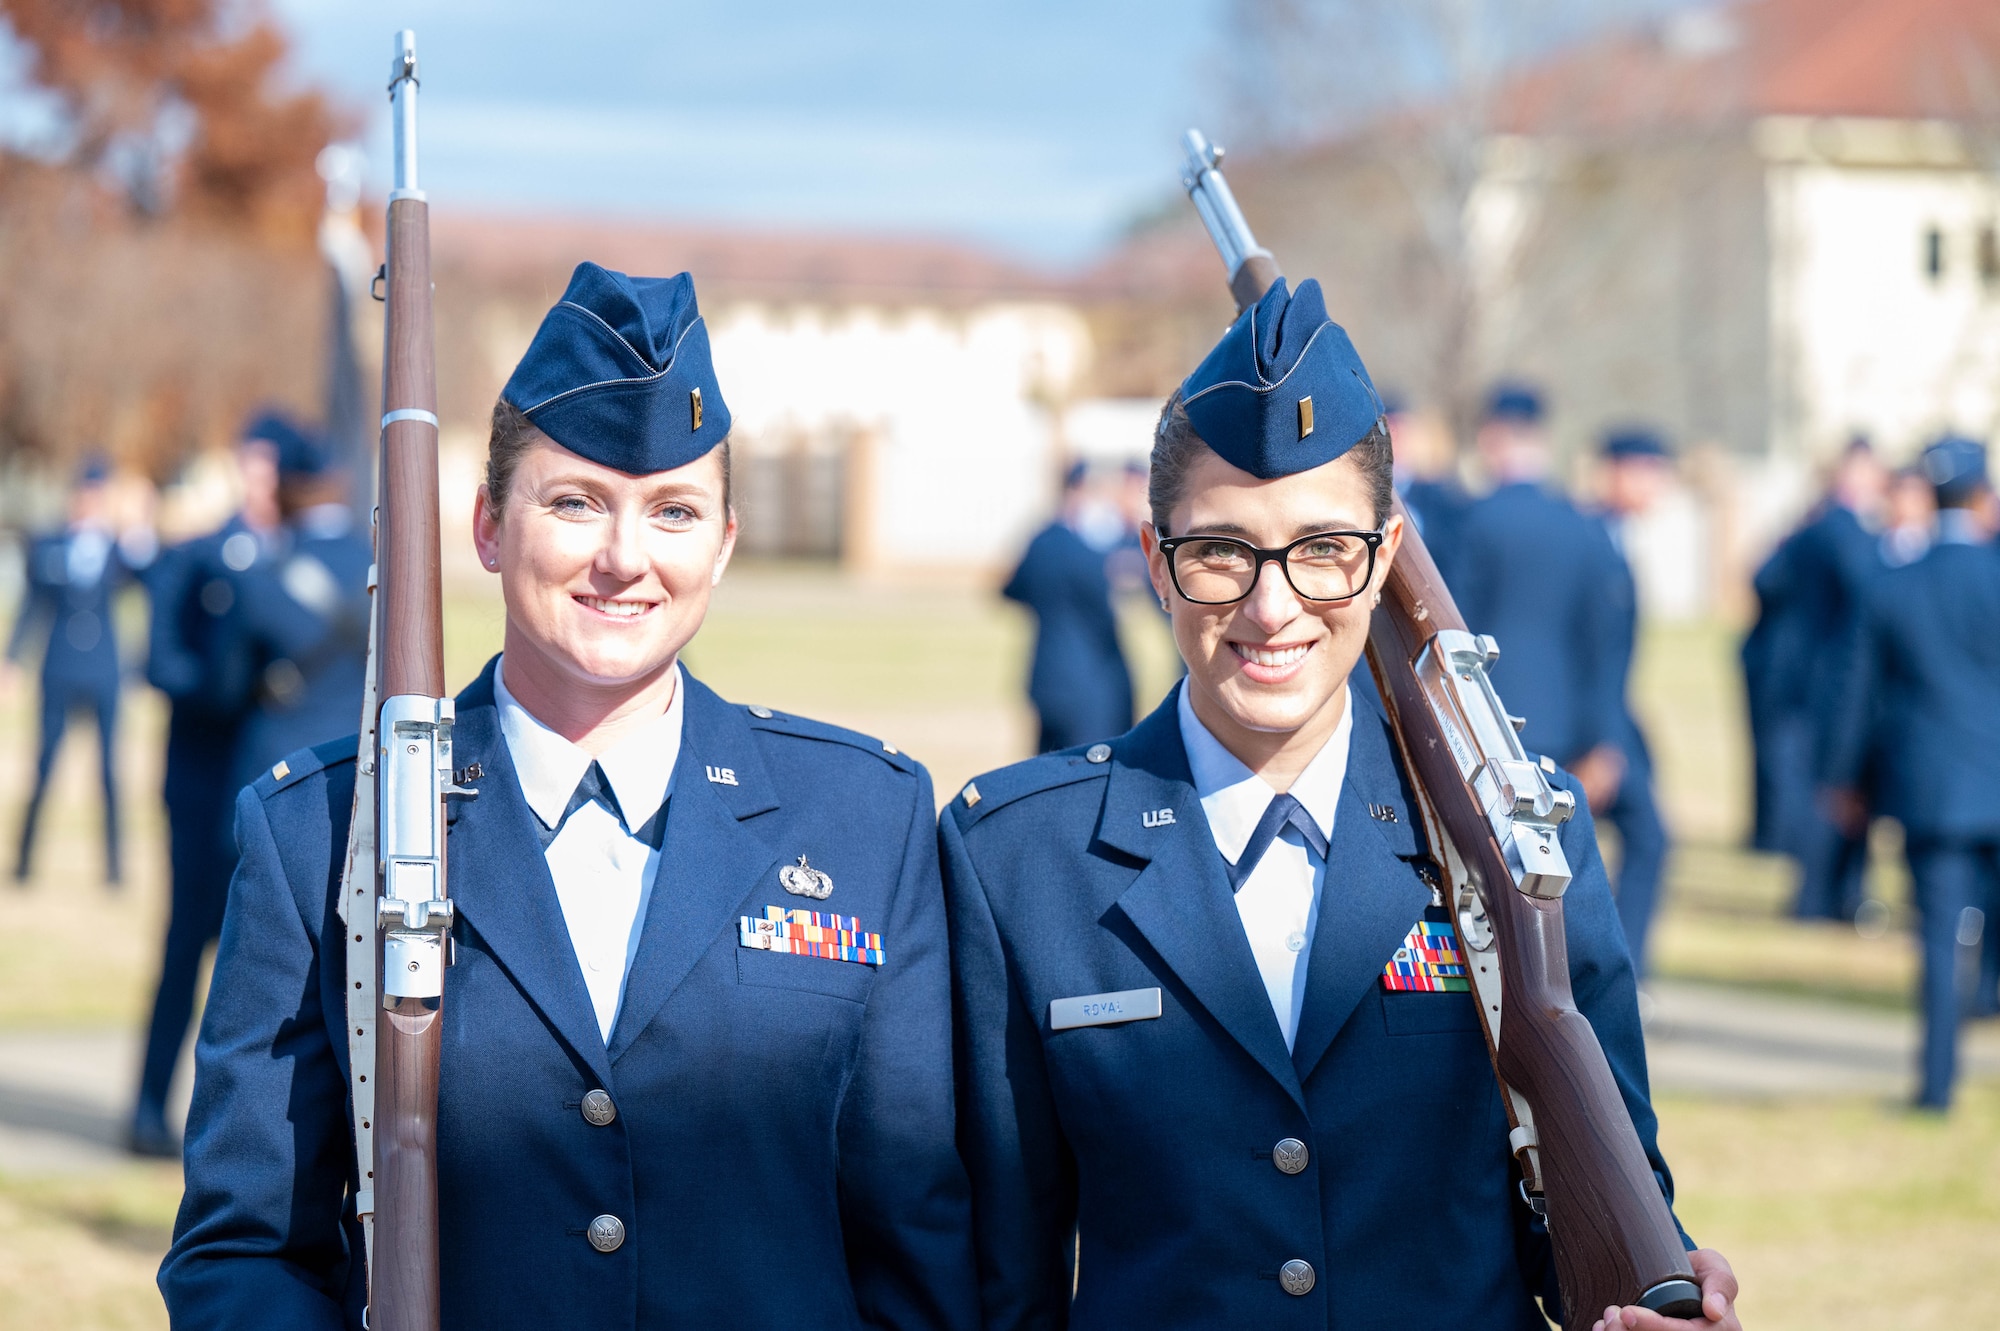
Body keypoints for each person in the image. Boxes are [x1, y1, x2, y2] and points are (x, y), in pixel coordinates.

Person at [161, 264, 975, 1328]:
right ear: (489, 526)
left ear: (723, 543)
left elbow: (918, 1244)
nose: (623, 558)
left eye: (674, 511)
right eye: (576, 501)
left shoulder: (863, 819)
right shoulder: (324, 828)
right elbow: (245, 1251)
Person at [942, 278, 1739, 1330]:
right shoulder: (1022, 858)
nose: (1272, 608)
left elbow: (1600, 1196)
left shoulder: (1510, 833)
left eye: (1322, 548)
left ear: (1384, 562)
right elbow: (1003, 1276)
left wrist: (1656, 1292)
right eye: (1220, 550)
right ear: (1153, 564)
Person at [1824, 435, 2000, 1110]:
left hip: (1933, 789)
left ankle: (1936, 1085)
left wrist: (1844, 779)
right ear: (1982, 496)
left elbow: (1856, 693)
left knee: (1937, 937)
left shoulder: (1895, 584)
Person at [127, 417, 286, 1157]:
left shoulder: (311, 559)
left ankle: (232, 1132)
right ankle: (148, 1107)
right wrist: (232, 685)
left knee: (266, 969)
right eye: (253, 469)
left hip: (276, 791)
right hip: (200, 786)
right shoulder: (195, 557)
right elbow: (160, 662)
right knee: (184, 946)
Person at [1452, 384, 1627, 820]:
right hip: (1565, 725)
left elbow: (1452, 625)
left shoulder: (1471, 521)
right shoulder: (1585, 526)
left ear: (1491, 438)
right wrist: (1605, 737)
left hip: (1487, 718)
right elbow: (1606, 643)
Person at [1756, 439, 1888, 921]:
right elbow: (1869, 594)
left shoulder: (1809, 527)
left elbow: (1766, 580)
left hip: (1799, 673)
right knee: (1830, 788)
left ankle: (1829, 896)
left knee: (1824, 787)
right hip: (1830, 678)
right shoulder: (1846, 530)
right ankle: (1820, 901)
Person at [7, 457, 147, 886]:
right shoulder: (49, 545)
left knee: (109, 771)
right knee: (45, 763)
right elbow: (33, 607)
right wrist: (12, 659)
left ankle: (115, 870)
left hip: (104, 670)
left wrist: (137, 524)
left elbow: (150, 583)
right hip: (59, 667)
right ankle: (24, 862)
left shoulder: (119, 550)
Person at [218, 419, 373, 797]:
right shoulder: (381, 567)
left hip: (279, 775)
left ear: (285, 490)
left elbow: (226, 685)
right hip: (363, 766)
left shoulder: (263, 575)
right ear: (340, 483)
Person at [1589, 428, 1675, 975]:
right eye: (1647, 472)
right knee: (1648, 837)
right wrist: (1600, 740)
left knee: (1652, 839)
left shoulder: (1617, 536)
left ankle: (1623, 973)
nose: (1656, 488)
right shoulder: (1592, 538)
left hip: (1615, 720)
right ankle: (1616, 978)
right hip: (1593, 727)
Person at [1002, 461, 1135, 753]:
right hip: (1094, 684)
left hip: (1046, 674)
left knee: (1044, 772)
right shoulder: (1098, 549)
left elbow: (1009, 590)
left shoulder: (1041, 539)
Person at [1384, 393, 1467, 587]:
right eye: (1389, 432)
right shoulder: (1365, 495)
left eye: (1402, 433)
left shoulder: (1441, 499)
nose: (1396, 442)